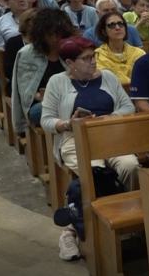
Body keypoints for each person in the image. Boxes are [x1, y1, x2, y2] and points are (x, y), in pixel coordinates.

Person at [41, 36, 139, 261]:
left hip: (109, 137)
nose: (93, 62)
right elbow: (46, 120)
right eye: (86, 59)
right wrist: (68, 122)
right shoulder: (57, 82)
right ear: (70, 63)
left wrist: (106, 119)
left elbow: (127, 106)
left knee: (131, 165)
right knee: (95, 173)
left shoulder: (108, 77)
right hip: (74, 139)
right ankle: (76, 232)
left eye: (93, 56)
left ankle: (129, 221)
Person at [11, 9, 74, 135]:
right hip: (40, 104)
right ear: (41, 34)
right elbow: (24, 91)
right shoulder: (27, 53)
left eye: (59, 34)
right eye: (51, 34)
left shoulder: (70, 49)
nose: (56, 38)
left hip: (70, 98)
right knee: (43, 111)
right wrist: (39, 96)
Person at [93, 11, 146, 84]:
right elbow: (107, 80)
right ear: (104, 31)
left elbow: (145, 78)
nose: (117, 28)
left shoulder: (139, 53)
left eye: (120, 24)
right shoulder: (98, 55)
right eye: (111, 25)